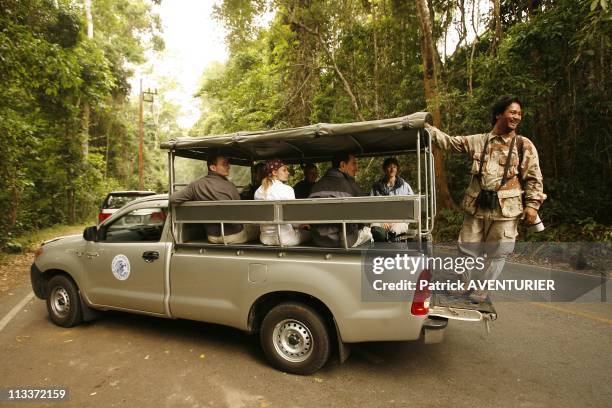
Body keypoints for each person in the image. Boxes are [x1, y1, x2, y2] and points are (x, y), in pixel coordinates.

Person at [425, 95, 546, 301]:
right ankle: (464, 284)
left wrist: (532, 205)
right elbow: (450, 143)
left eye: (519, 113)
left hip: (507, 210)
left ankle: (481, 289)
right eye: (512, 112)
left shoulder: (523, 145)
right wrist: (427, 128)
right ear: (499, 114)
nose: (516, 117)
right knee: (467, 247)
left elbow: (534, 177)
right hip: (477, 205)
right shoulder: (479, 141)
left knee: (498, 252)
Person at [170, 153, 259, 244]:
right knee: (259, 227)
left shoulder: (196, 186)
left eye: (228, 164)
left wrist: (194, 198)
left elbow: (173, 199)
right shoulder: (230, 186)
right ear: (213, 167)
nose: (228, 167)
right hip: (234, 236)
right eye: (224, 164)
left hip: (212, 237)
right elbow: (241, 213)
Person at [309, 152, 372, 247]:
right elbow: (364, 216)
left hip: (318, 240)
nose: (357, 168)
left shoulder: (316, 186)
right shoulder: (351, 186)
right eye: (354, 164)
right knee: (369, 230)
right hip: (345, 241)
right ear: (342, 165)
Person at [254, 159, 310, 246]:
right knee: (312, 234)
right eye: (284, 170)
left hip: (265, 239)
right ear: (274, 172)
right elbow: (293, 218)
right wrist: (301, 225)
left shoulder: (258, 191)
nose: (288, 173)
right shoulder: (287, 189)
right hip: (286, 239)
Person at [369, 157, 414, 240]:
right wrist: (382, 221)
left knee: (398, 228)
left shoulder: (405, 186)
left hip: (399, 220)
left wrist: (397, 220)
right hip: (381, 220)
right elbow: (372, 208)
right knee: (374, 226)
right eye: (389, 166)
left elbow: (411, 207)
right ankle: (383, 236)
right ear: (385, 169)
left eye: (394, 167)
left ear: (397, 169)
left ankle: (389, 236)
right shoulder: (376, 187)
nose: (392, 169)